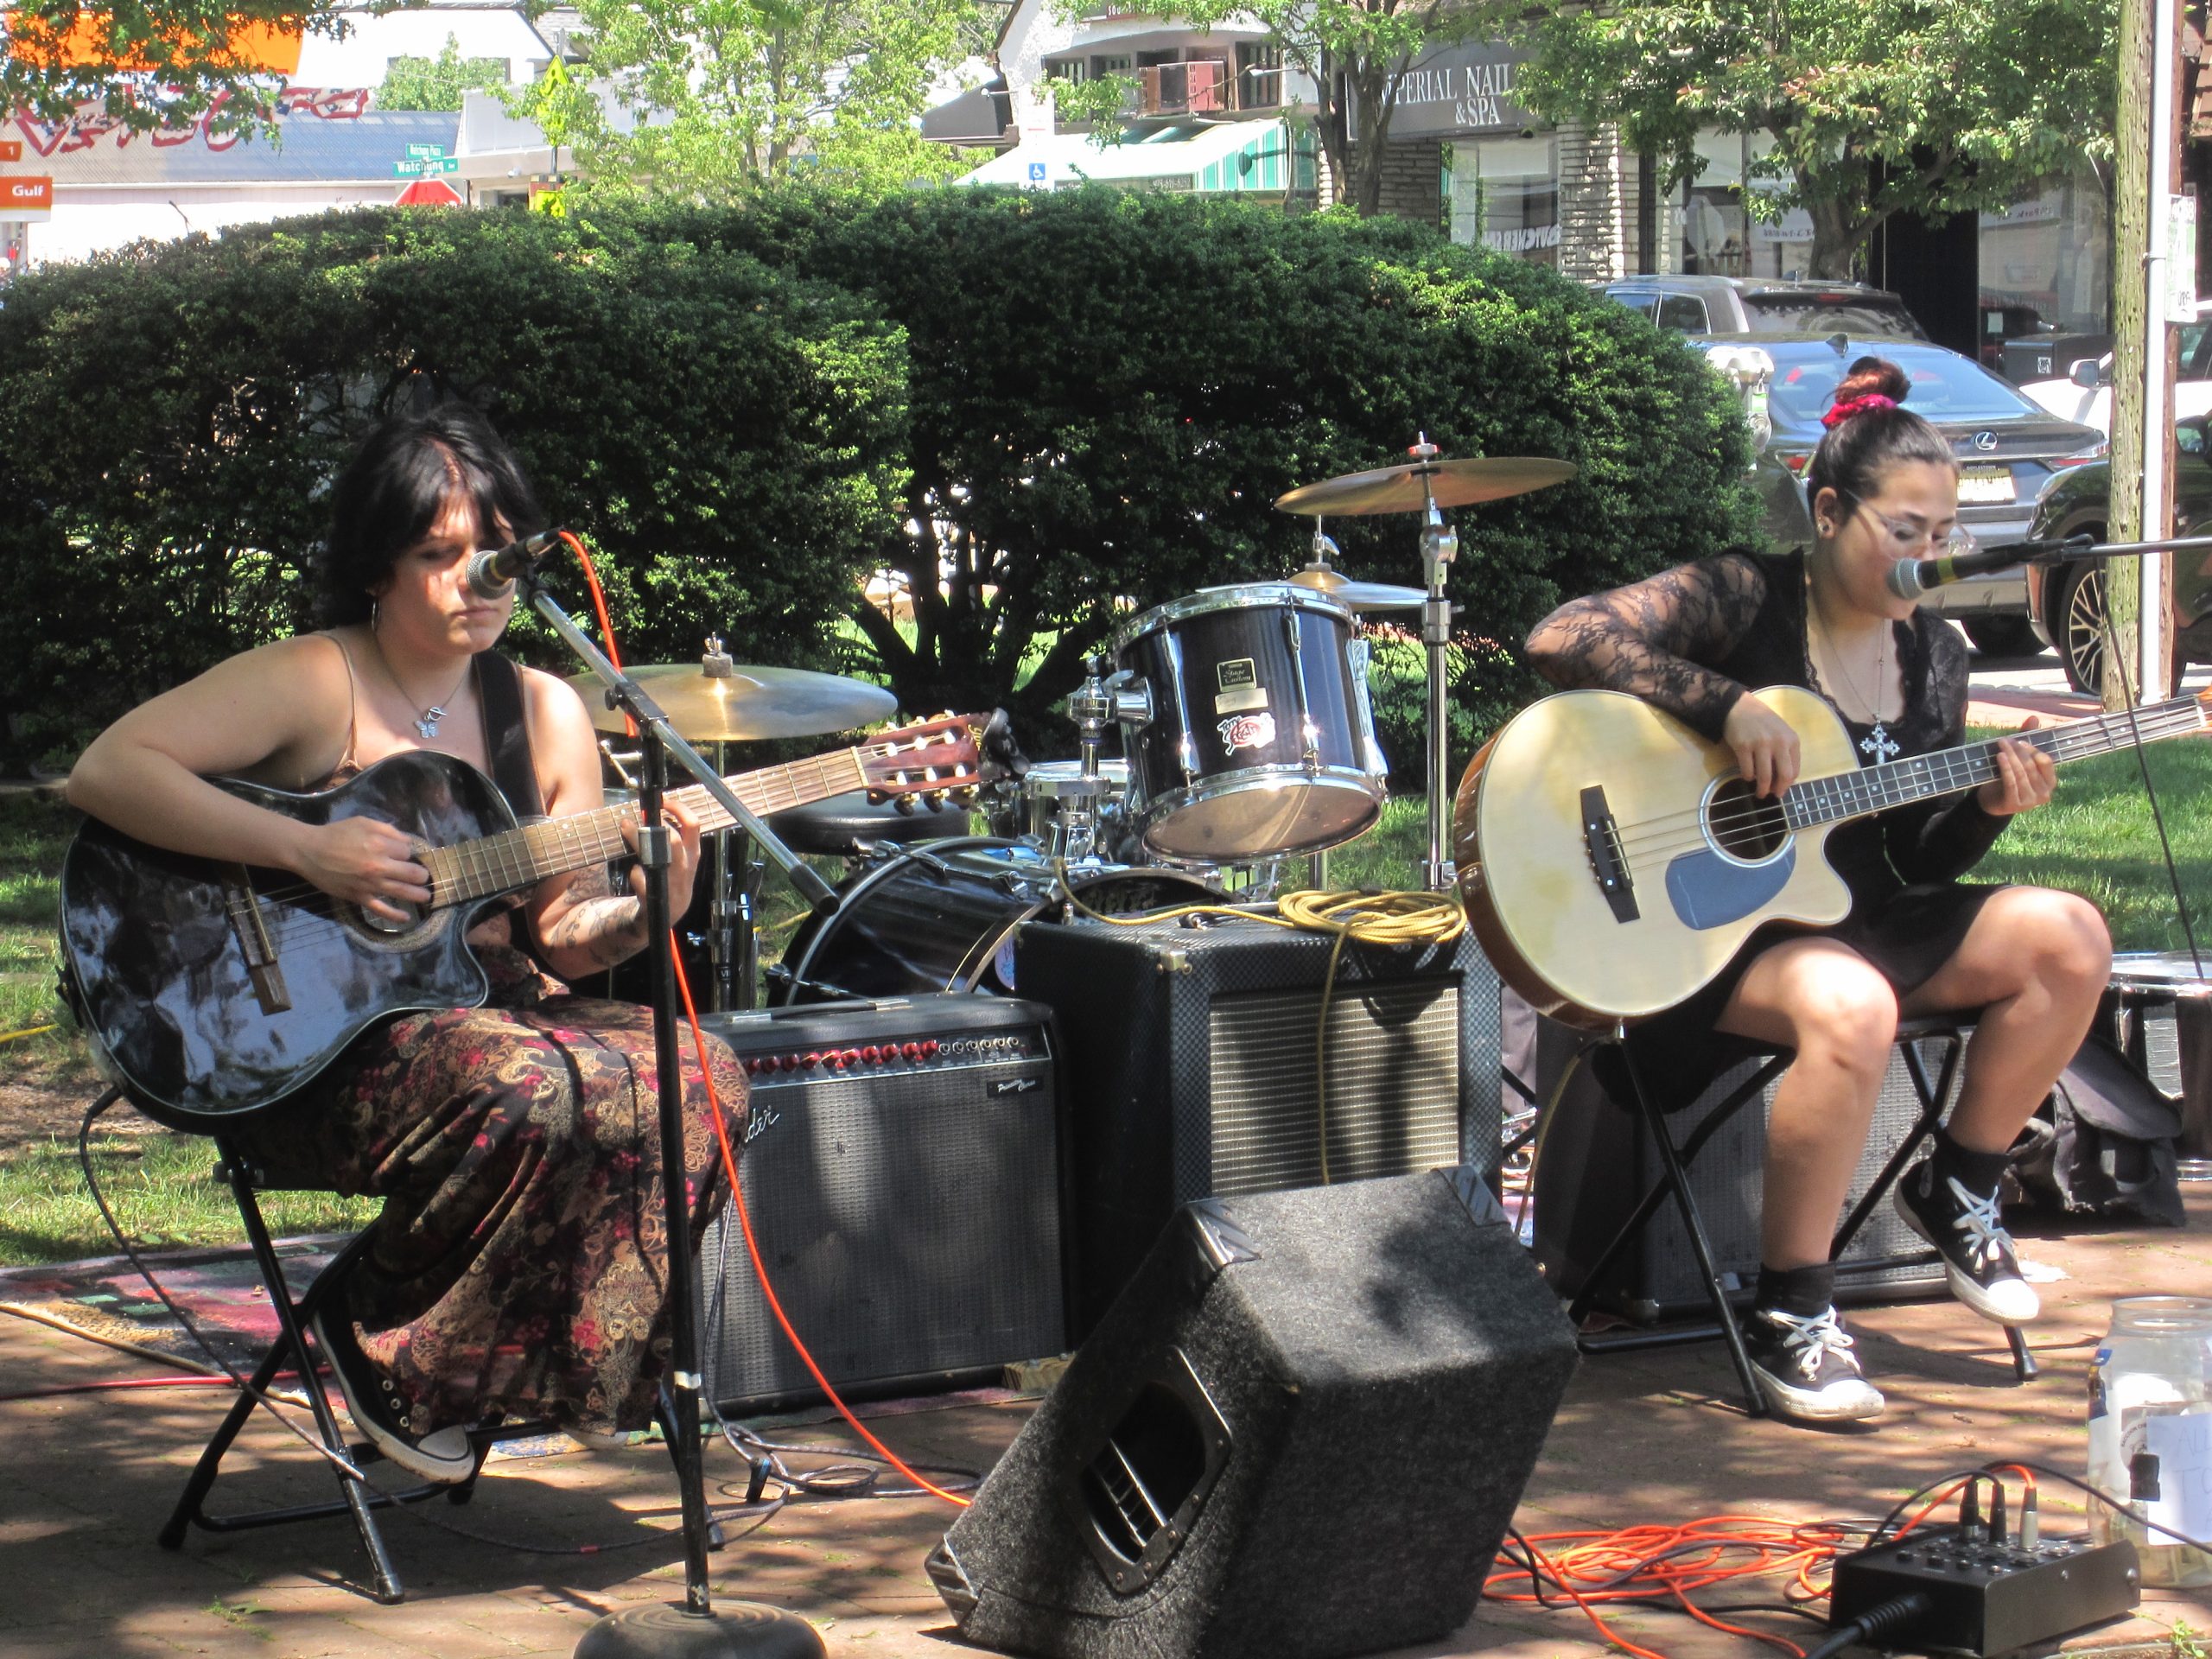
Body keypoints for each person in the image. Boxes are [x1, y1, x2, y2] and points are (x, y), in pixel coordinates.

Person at [67, 403, 740, 1481]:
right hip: (306, 1048)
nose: (480, 578)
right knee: (530, 1082)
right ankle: (378, 1329)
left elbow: (564, 938)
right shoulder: (315, 678)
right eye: (440, 554)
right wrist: (308, 851)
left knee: (705, 1076)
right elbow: (108, 770)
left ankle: (546, 1370)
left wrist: (652, 905)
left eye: (498, 550)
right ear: (376, 565)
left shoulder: (543, 711)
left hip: (485, 1017)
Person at [1522, 357, 2112, 1425]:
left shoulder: (1936, 655)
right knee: (1853, 1002)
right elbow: (1563, 635)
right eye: (1903, 529)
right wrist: (1725, 703)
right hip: (1714, 933)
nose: (1924, 557)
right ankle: (1791, 1309)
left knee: (2069, 934)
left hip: (1858, 916)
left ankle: (1961, 1181)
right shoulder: (1747, 594)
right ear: (1831, 512)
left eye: (1942, 534)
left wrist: (1988, 806)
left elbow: (1918, 862)